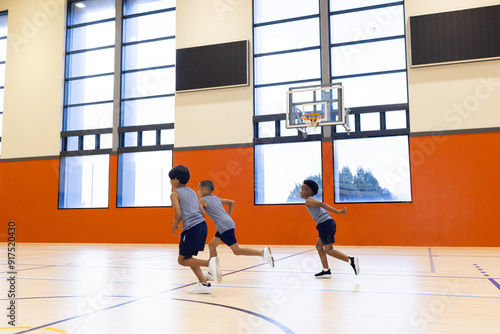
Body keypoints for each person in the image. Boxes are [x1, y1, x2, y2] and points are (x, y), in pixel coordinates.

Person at [197, 180, 274, 280]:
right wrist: (227, 217)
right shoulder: (215, 198)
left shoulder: (202, 201)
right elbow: (232, 202)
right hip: (226, 224)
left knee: (237, 250)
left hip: (224, 226)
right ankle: (212, 272)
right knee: (212, 246)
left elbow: (199, 212)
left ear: (204, 189)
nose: (197, 191)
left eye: (198, 189)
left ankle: (263, 253)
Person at [169, 165, 222, 293]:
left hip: (192, 229)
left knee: (182, 260)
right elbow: (202, 214)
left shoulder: (174, 194)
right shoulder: (193, 192)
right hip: (202, 226)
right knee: (189, 258)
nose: (170, 182)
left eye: (171, 179)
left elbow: (178, 214)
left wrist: (175, 225)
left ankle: (209, 264)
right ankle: (204, 284)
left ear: (176, 180)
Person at [300, 179, 360, 278]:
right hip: (327, 223)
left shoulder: (309, 200)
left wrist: (337, 212)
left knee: (329, 250)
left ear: (308, 191)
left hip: (325, 224)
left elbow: (322, 204)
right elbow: (323, 210)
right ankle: (326, 270)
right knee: (319, 246)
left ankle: (351, 260)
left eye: (302, 189)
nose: (300, 192)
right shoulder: (312, 200)